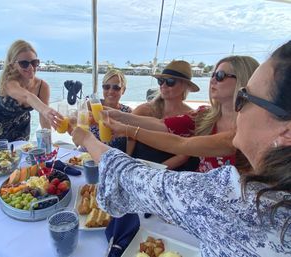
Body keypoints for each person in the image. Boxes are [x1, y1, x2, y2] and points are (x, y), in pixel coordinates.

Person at [71, 40, 291, 256]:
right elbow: (166, 129)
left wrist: (89, 140)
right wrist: (119, 119)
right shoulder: (206, 116)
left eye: (244, 96)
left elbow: (150, 167)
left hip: (192, 208)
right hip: (192, 218)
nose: (238, 108)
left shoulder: (235, 198)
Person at [107, 55, 259, 172]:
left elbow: (182, 145)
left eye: (220, 76)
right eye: (212, 75)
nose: (212, 80)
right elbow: (161, 125)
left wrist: (125, 128)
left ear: (243, 80)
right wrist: (116, 115)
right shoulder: (203, 116)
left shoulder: (254, 131)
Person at [128, 60, 200, 170]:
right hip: (139, 165)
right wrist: (127, 160)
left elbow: (184, 155)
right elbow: (129, 135)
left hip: (170, 170)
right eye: (161, 81)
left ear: (185, 86)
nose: (163, 85)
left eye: (170, 81)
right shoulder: (145, 110)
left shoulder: (190, 116)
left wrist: (156, 171)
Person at [89, 69, 131, 151]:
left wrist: (129, 156)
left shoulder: (128, 112)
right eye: (106, 87)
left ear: (123, 90)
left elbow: (131, 139)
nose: (111, 91)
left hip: (116, 159)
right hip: (90, 156)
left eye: (116, 88)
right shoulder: (91, 106)